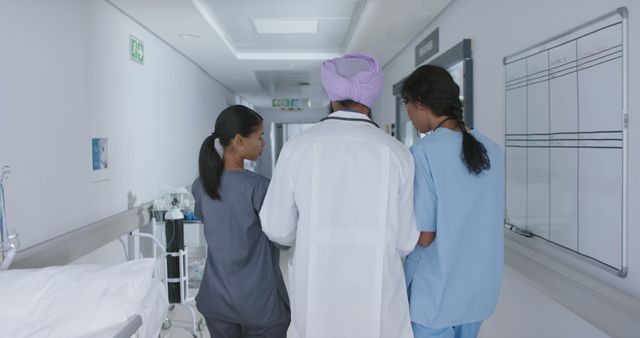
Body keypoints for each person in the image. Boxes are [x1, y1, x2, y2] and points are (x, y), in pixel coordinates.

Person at [259, 53, 420, 338]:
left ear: (331, 96)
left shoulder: (298, 147)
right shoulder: (398, 153)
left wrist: (315, 236)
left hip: (316, 297)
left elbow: (276, 228)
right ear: (370, 99)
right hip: (379, 300)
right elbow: (406, 240)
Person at [401, 65, 505, 338]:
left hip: (436, 293)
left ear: (421, 102)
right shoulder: (492, 150)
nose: (407, 113)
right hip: (478, 292)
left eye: (406, 103)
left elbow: (425, 236)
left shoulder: (423, 153)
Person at [192, 105, 290, 338]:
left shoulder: (201, 186)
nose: (263, 143)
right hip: (259, 304)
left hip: (216, 301)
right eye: (260, 136)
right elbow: (282, 239)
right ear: (239, 140)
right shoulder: (259, 187)